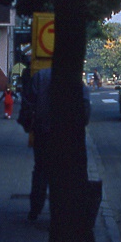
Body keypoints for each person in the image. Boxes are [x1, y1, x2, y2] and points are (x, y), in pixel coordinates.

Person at [20, 67, 92, 221]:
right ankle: (62, 211)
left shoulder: (40, 76)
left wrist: (29, 126)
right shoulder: (74, 77)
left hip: (43, 132)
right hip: (68, 135)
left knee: (41, 170)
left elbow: (27, 103)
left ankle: (35, 209)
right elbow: (85, 107)